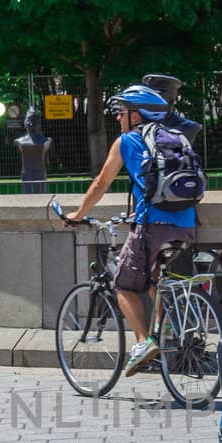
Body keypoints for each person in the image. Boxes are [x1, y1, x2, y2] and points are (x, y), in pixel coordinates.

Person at [66, 85, 196, 375]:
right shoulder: (177, 138)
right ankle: (167, 327)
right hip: (186, 225)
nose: (118, 118)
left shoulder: (127, 141)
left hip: (153, 226)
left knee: (123, 284)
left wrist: (77, 214)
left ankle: (143, 342)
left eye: (121, 112)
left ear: (136, 116)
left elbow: (101, 183)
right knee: (153, 277)